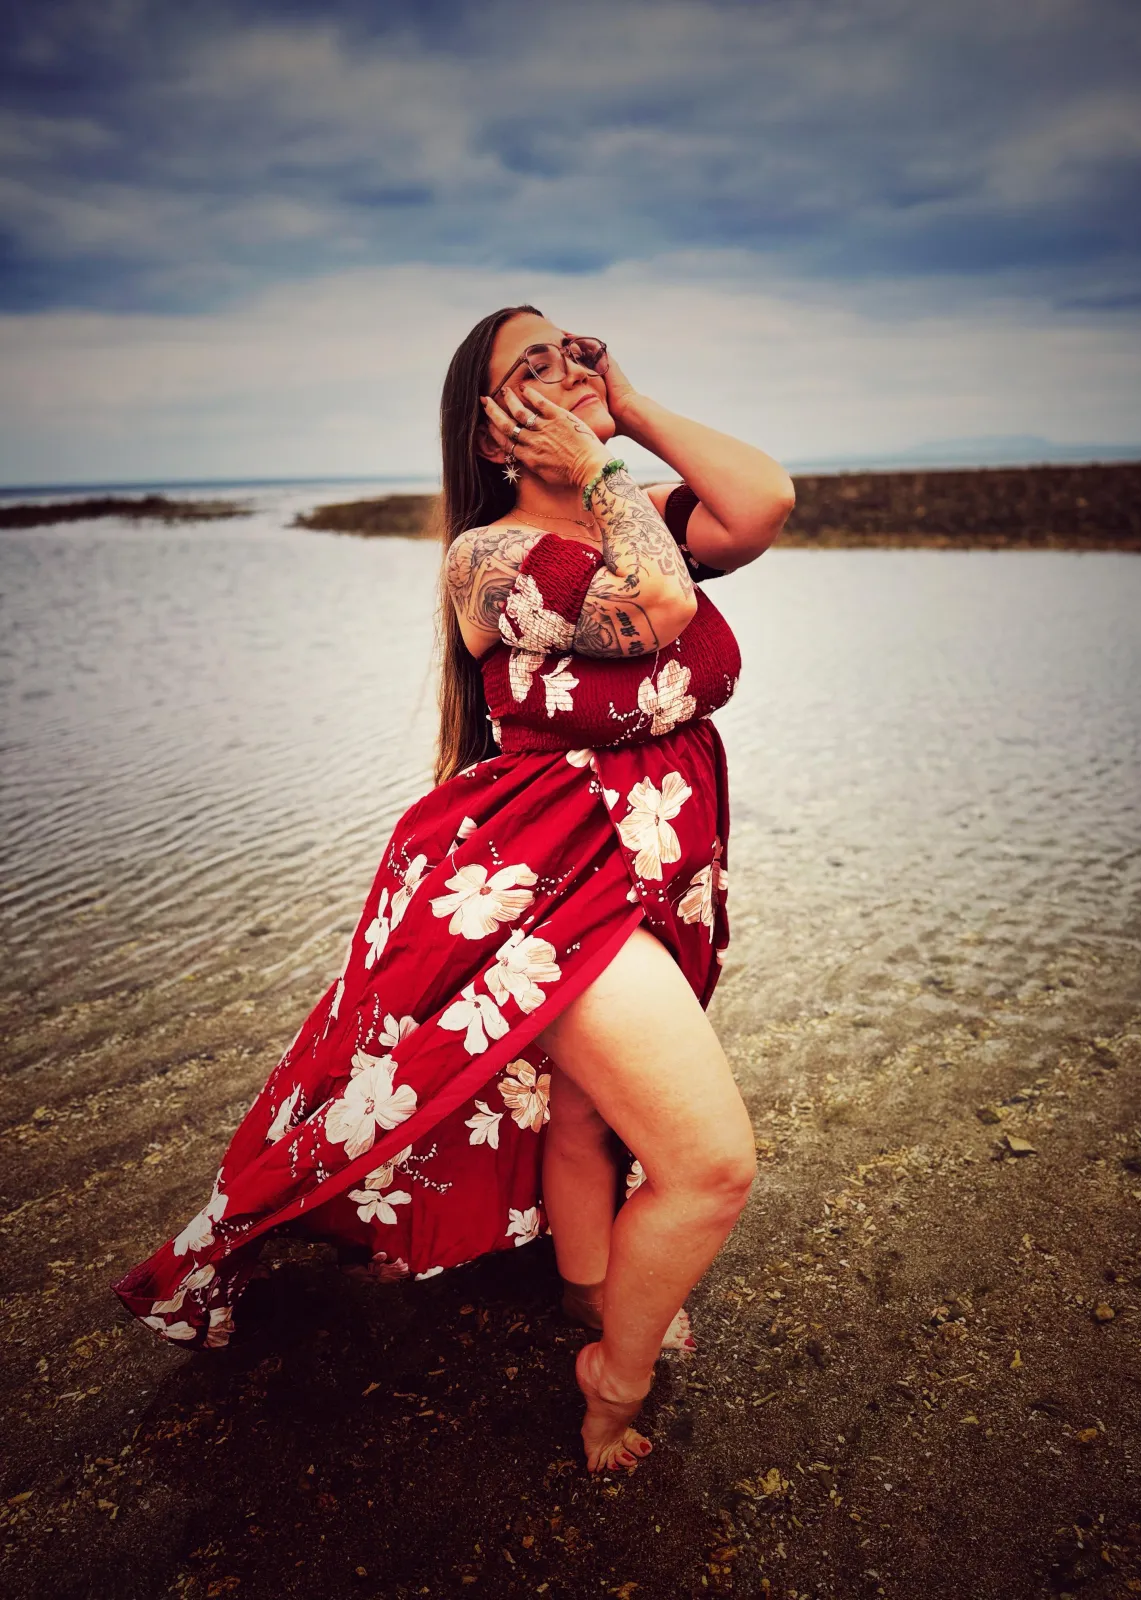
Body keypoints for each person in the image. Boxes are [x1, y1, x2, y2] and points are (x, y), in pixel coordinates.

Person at [112, 304, 794, 1474]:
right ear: (489, 435)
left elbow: (764, 499)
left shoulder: (632, 509)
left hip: (656, 857)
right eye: (531, 367)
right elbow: (663, 607)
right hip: (544, 879)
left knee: (584, 1113)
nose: (564, 369)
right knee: (710, 1163)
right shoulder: (487, 560)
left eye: (570, 351)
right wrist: (598, 465)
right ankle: (609, 1384)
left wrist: (621, 407)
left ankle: (589, 1290)